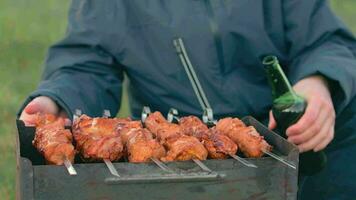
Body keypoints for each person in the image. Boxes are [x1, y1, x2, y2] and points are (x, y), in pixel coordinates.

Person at [18, 1, 356, 199]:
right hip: (182, 155)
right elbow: (87, 63)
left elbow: (325, 40)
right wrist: (57, 99)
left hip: (290, 132)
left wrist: (319, 82)